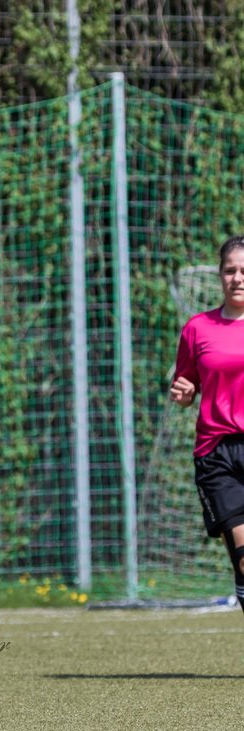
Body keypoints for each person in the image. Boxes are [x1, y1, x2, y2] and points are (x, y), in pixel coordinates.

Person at [171, 233, 244, 614]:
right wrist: (183, 394)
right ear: (219, 275)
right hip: (216, 454)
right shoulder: (197, 328)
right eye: (230, 270)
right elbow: (185, 385)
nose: (238, 278)